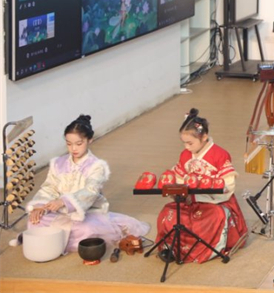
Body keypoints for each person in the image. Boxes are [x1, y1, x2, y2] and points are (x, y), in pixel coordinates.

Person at [25, 115, 150, 253]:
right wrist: (40, 206)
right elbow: (49, 187)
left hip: (87, 212)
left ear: (90, 140)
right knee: (34, 221)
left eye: (79, 144)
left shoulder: (96, 166)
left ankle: (61, 241)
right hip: (59, 211)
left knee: (86, 229)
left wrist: (64, 201)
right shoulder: (58, 163)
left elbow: (90, 191)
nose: (73, 148)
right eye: (69, 144)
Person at [155, 109, 248, 263]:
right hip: (189, 200)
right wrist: (174, 189)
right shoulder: (185, 155)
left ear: (204, 137)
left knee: (212, 217)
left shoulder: (220, 154)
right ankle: (172, 248)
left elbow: (228, 185)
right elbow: (179, 178)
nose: (186, 147)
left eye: (190, 143)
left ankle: (204, 251)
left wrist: (200, 195)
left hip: (215, 201)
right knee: (169, 212)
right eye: (184, 143)